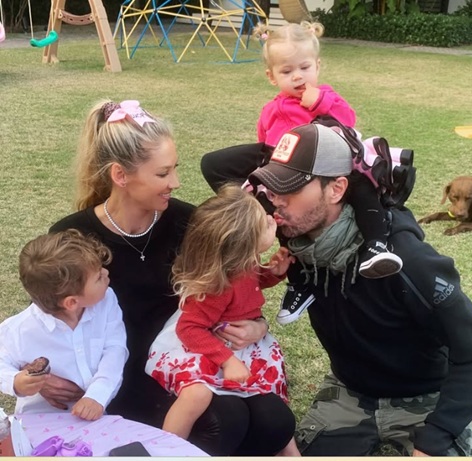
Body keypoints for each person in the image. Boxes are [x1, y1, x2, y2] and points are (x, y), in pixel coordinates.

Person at [47, 99, 296, 456]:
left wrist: (258, 326)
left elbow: (234, 284)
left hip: (194, 356)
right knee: (225, 419)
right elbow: (49, 317)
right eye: (163, 174)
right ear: (120, 175)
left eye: (174, 169)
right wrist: (43, 376)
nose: (176, 182)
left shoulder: (188, 222)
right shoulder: (73, 236)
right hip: (121, 372)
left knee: (276, 419)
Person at [248, 122, 472, 456]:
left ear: (336, 189)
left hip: (425, 398)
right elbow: (218, 169)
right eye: (272, 187)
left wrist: (437, 435)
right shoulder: (300, 247)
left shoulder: (405, 259)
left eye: (290, 188)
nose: (274, 201)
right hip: (348, 391)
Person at [200, 22, 402, 326]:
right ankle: (298, 278)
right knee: (234, 179)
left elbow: (348, 120)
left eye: (305, 67)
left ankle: (376, 245)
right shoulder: (271, 109)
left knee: (361, 185)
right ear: (271, 76)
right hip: (282, 163)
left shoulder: (327, 96)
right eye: (287, 71)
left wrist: (320, 103)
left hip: (327, 160)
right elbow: (264, 140)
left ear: (317, 66)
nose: (297, 76)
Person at [145, 184, 300, 456]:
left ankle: (288, 451)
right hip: (202, 347)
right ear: (246, 242)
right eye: (264, 223)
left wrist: (273, 273)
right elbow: (188, 328)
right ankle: (165, 450)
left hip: (236, 346)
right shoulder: (218, 287)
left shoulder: (242, 263)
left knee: (270, 392)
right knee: (196, 394)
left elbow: (250, 285)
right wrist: (227, 361)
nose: (270, 219)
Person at [0, 229, 128, 420]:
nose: (106, 272)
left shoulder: (106, 301)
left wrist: (97, 396)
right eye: (98, 277)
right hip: (39, 422)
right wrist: (15, 382)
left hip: (93, 419)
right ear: (72, 302)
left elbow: (115, 350)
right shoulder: (19, 330)